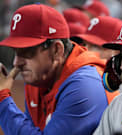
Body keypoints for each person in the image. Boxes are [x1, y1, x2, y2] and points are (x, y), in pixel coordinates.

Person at [0, 4, 113, 135]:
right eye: (16, 52)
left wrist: (2, 98)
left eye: (27, 52)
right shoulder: (39, 77)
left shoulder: (85, 86)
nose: (16, 63)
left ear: (56, 50)